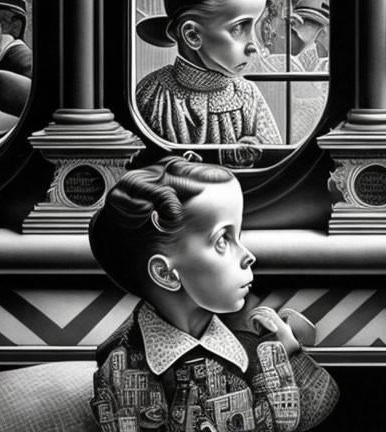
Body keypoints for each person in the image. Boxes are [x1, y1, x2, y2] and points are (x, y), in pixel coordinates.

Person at [87, 156, 339, 431]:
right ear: (166, 274)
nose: (249, 256)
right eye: (223, 240)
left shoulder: (249, 346)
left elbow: (310, 410)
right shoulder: (124, 367)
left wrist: (290, 351)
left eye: (239, 236)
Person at [136, 0, 282, 145]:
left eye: (254, 27)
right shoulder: (152, 94)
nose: (254, 46)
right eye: (238, 28)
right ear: (192, 35)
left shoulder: (247, 95)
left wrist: (256, 149)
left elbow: (274, 154)